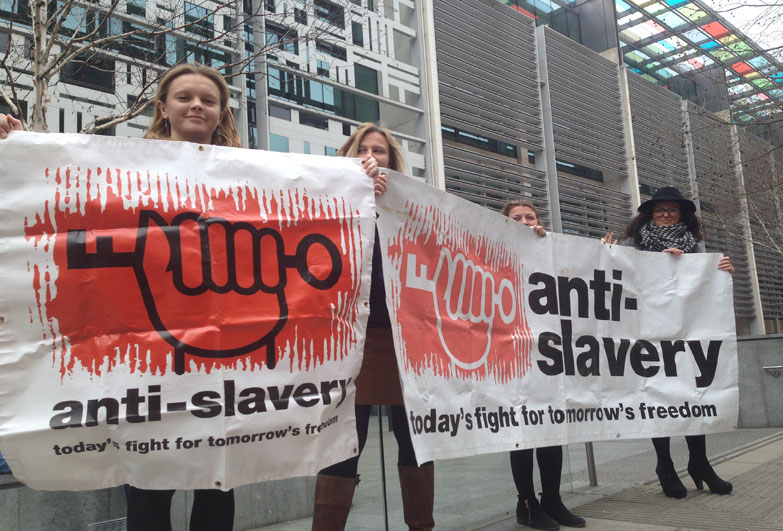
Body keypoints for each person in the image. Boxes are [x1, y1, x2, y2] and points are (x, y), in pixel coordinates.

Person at [0, 66, 385, 531]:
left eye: (207, 99)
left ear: (223, 112)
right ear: (163, 107)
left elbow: (316, 211)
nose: (196, 105)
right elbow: (60, 188)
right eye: (184, 97)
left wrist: (360, 181)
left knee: (217, 485)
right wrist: (18, 145)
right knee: (147, 488)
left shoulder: (258, 176)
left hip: (227, 373)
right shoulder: (124, 166)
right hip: (149, 364)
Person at [310, 123, 432, 531]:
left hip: (404, 339)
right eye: (362, 149)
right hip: (351, 338)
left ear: (391, 161)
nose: (372, 155)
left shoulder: (411, 208)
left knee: (414, 438)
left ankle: (421, 525)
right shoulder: (328, 201)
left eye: (379, 150)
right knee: (345, 440)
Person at [606, 186, 734, 499]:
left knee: (693, 394)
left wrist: (723, 273)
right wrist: (658, 265)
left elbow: (704, 293)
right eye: (659, 210)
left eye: (671, 210)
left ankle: (699, 462)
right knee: (658, 397)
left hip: (687, 335)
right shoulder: (634, 246)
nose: (665, 215)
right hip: (649, 335)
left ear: (682, 215)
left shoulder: (695, 249)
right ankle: (665, 465)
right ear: (648, 215)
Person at [502, 200, 585, 531]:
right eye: (516, 218)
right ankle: (526, 504)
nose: (524, 221)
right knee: (522, 430)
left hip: (548, 351)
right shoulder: (491, 249)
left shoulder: (550, 251)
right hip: (511, 353)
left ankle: (552, 498)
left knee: (550, 426)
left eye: (530, 217)